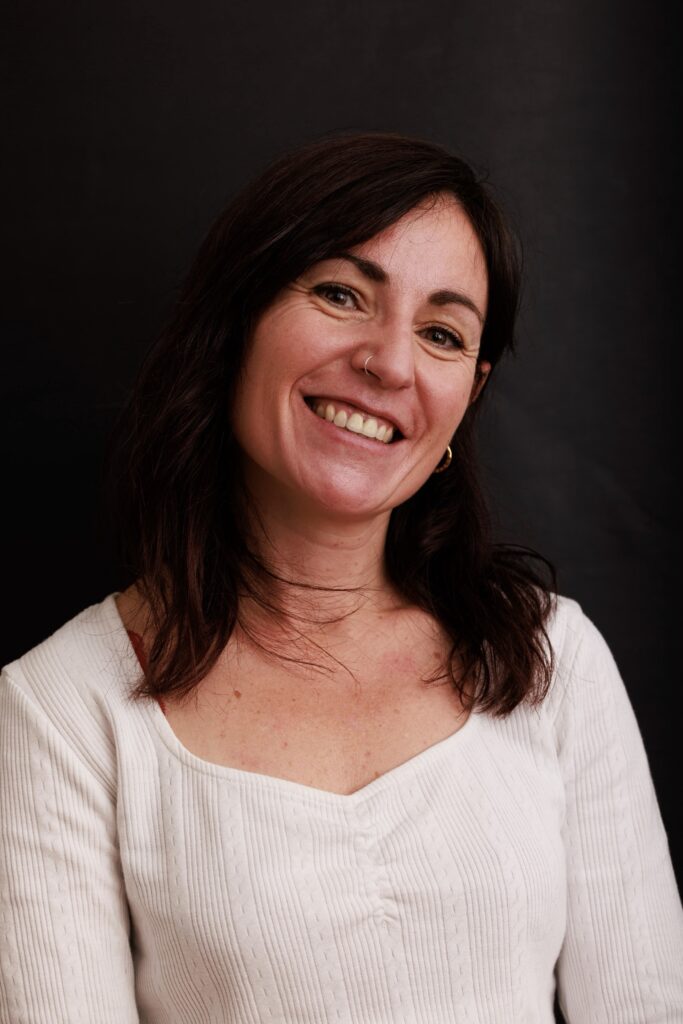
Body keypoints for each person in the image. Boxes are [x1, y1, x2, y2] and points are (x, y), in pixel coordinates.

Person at [1, 132, 681, 1024]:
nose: (389, 363)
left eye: (441, 334)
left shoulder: (549, 655)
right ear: (235, 320)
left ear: (467, 396)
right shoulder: (61, 709)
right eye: (340, 294)